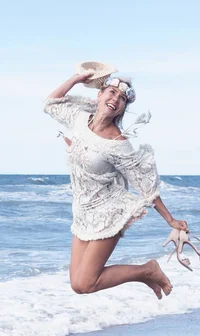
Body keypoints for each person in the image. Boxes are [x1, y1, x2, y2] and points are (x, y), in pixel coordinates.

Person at [44, 72, 188, 299]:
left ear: (122, 108)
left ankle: (147, 270)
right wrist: (77, 79)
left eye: (122, 98)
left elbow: (145, 184)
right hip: (82, 211)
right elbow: (50, 103)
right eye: (112, 92)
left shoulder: (117, 143)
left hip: (110, 211)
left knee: (87, 283)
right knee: (77, 285)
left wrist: (170, 219)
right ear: (99, 95)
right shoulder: (79, 118)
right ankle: (145, 273)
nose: (116, 99)